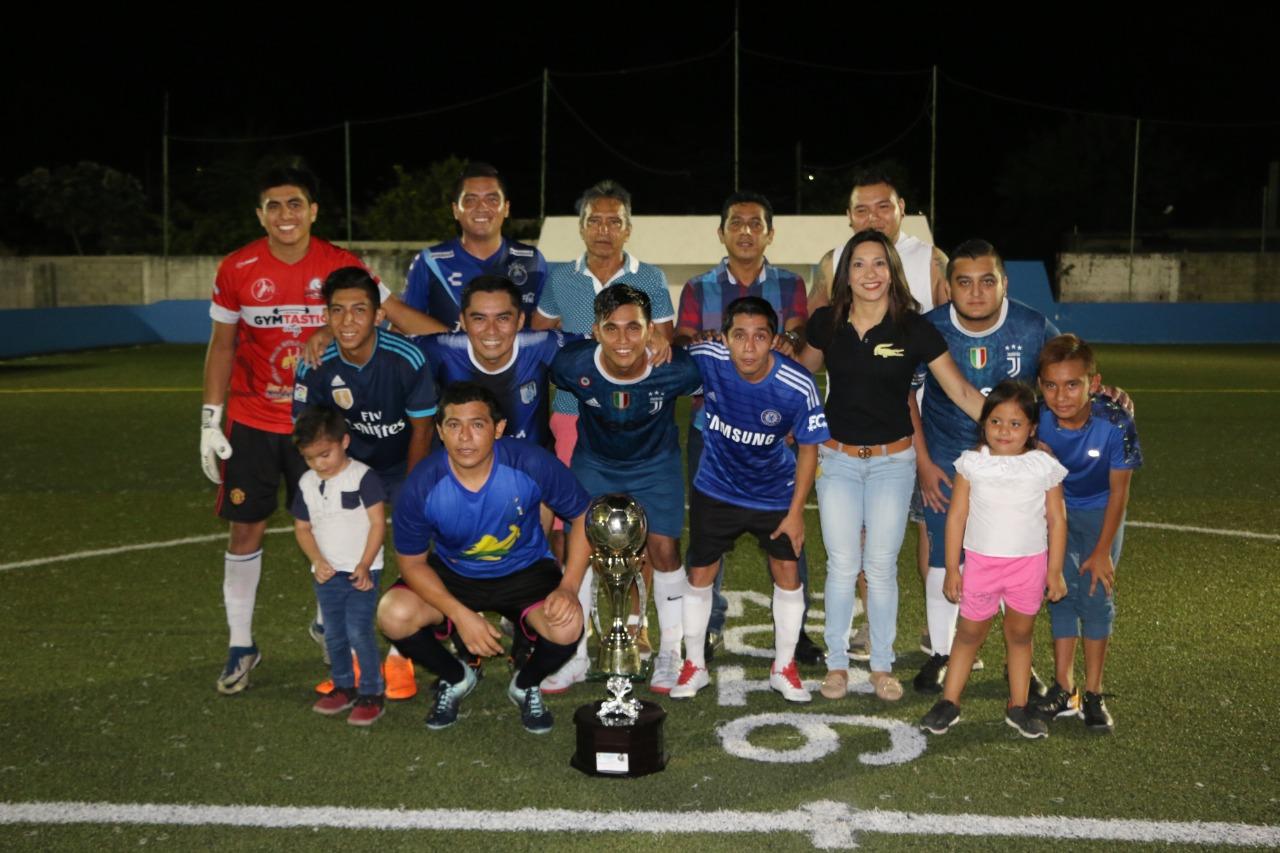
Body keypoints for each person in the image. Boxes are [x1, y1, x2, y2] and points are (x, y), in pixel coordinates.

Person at [200, 164, 375, 695]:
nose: (285, 215)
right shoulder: (237, 267)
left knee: (339, 530)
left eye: (294, 204)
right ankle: (240, 644)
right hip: (253, 421)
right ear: (260, 214)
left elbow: (373, 315)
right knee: (245, 528)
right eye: (273, 206)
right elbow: (223, 345)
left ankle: (330, 625)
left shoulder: (341, 264)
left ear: (313, 211)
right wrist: (211, 416)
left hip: (319, 425)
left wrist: (329, 324)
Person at [799, 230, 984, 703]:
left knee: (880, 567)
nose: (869, 274)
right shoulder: (826, 323)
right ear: (846, 275)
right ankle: (838, 665)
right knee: (842, 565)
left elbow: (962, 392)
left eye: (879, 263)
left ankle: (881, 665)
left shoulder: (914, 328)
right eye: (859, 265)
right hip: (837, 460)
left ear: (893, 270)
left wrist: (1025, 433)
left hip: (893, 463)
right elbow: (799, 376)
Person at [377, 383, 592, 734]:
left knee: (568, 625)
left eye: (477, 425)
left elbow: (583, 516)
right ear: (440, 432)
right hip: (455, 573)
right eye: (453, 425)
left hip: (526, 570)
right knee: (393, 614)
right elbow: (412, 563)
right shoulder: (421, 485)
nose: (465, 437)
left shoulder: (531, 462)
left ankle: (526, 683)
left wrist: (568, 587)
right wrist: (460, 615)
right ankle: (456, 676)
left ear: (498, 428)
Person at [673, 191, 821, 666]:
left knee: (787, 531)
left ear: (769, 233)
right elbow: (680, 339)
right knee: (707, 534)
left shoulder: (790, 283)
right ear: (722, 232)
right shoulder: (698, 287)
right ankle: (707, 628)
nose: (745, 231)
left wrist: (788, 338)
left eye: (755, 223)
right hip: (713, 427)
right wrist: (702, 339)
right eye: (735, 222)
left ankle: (796, 633)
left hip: (773, 430)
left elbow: (799, 333)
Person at [809, 171, 949, 662]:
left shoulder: (931, 262)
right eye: (862, 210)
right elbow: (807, 359)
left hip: (917, 419)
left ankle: (939, 633)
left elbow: (949, 345)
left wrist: (1018, 418)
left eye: (883, 207)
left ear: (902, 208)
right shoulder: (831, 269)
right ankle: (858, 640)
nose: (873, 218)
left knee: (926, 528)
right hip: (849, 425)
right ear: (849, 217)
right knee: (850, 554)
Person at [909, 240, 1061, 694]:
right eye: (964, 282)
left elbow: (1063, 379)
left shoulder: (1033, 326)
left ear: (1004, 284)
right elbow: (904, 394)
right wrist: (922, 460)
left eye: (987, 281)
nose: (976, 292)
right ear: (948, 287)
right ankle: (941, 651)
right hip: (945, 460)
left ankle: (1021, 662)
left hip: (1015, 467)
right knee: (943, 556)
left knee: (1016, 556)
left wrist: (1104, 391)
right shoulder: (929, 328)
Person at [671, 297, 830, 703]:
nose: (748, 347)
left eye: (760, 337)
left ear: (774, 340)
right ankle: (694, 664)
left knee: (788, 575)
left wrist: (796, 514)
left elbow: (810, 448)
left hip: (773, 492)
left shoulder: (797, 384)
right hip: (716, 488)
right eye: (738, 336)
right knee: (700, 573)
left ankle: (784, 666)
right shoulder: (706, 358)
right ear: (724, 338)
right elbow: (666, 355)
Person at [547, 285, 703, 694]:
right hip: (595, 462)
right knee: (575, 547)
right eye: (611, 329)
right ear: (595, 331)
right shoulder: (571, 364)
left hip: (655, 464)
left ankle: (670, 651)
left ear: (651, 329)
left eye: (634, 328)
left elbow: (711, 380)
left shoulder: (678, 369)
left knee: (664, 549)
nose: (622, 340)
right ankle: (576, 653)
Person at [294, 266, 439, 700]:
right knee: (340, 547)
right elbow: (309, 431)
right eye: (337, 311)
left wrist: (412, 491)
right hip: (350, 466)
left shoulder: (407, 358)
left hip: (404, 464)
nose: (348, 320)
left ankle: (401, 654)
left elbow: (421, 430)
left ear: (379, 315)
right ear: (326, 316)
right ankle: (348, 651)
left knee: (413, 550)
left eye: (360, 310)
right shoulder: (317, 363)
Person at [532, 180, 675, 563]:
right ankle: (570, 608)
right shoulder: (561, 278)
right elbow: (538, 338)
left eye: (614, 222)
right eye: (595, 221)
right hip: (571, 411)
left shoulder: (651, 278)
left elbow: (664, 345)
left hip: (632, 415)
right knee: (567, 515)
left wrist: (657, 342)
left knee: (633, 515)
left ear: (628, 229)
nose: (604, 231)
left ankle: (634, 617)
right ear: (580, 226)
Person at [918, 381, 1067, 739]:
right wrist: (953, 567)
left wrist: (1056, 571)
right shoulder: (972, 464)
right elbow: (956, 517)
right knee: (968, 634)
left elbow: (1057, 519)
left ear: (1032, 429)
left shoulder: (1043, 466)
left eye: (1016, 424)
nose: (1004, 431)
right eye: (996, 421)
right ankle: (949, 701)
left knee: (1020, 635)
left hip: (1027, 567)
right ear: (984, 423)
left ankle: (1018, 705)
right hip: (982, 566)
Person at [1033, 335, 1142, 734]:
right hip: (1053, 510)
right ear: (1040, 385)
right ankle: (1065, 688)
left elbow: (1120, 492)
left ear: (1094, 385)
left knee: (1096, 595)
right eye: (1050, 385)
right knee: (1059, 593)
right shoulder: (1035, 417)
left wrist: (1101, 551)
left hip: (1099, 511)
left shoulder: (1116, 421)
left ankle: (1093, 693)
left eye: (1073, 384)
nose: (1061, 396)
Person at [290, 408, 388, 726]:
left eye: (324, 454)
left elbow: (377, 524)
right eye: (310, 458)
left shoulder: (363, 476)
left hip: (362, 571)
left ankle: (372, 693)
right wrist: (317, 561)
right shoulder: (306, 483)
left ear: (344, 441)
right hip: (327, 573)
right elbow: (302, 528)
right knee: (333, 634)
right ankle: (344, 686)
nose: (319, 464)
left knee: (358, 631)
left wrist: (364, 564)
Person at [418, 275, 573, 449]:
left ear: (520, 321)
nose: (491, 331)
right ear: (462, 321)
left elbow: (602, 344)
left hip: (531, 468)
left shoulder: (542, 346)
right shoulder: (439, 350)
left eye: (503, 318)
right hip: (464, 465)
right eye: (479, 319)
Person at [390, 162, 547, 330]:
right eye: (471, 200)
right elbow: (402, 327)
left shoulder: (531, 259)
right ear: (456, 210)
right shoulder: (430, 262)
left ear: (506, 208)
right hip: (444, 357)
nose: (481, 207)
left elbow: (548, 325)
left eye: (492, 199)